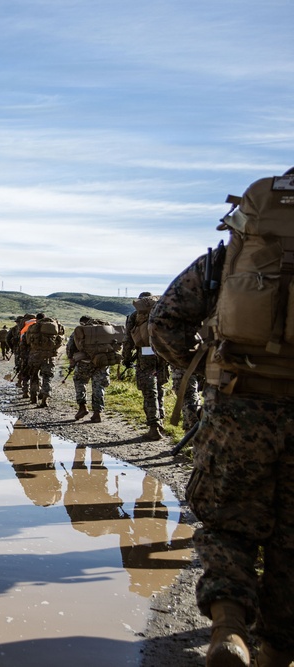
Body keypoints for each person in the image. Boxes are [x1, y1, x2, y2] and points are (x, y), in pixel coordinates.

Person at [149, 169, 294, 667]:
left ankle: (229, 627)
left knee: (228, 520)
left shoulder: (227, 259)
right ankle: (277, 649)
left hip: (238, 406)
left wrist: (207, 368)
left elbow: (165, 321)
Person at [123, 292, 169, 440]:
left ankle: (154, 427)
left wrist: (126, 357)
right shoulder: (162, 313)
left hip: (145, 356)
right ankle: (160, 422)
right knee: (160, 388)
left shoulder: (135, 315)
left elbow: (128, 340)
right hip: (163, 355)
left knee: (149, 391)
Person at [67, 316, 113, 422]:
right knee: (98, 387)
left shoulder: (79, 331)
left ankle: (82, 407)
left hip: (84, 363)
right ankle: (97, 414)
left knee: (79, 381)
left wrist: (72, 360)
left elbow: (70, 348)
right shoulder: (104, 330)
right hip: (102, 362)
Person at [23, 312, 64, 407]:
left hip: (35, 355)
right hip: (49, 356)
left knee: (33, 376)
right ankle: (45, 399)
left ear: (36, 319)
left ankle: (34, 397)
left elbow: (27, 341)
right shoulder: (54, 327)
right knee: (47, 377)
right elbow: (60, 341)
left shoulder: (33, 327)